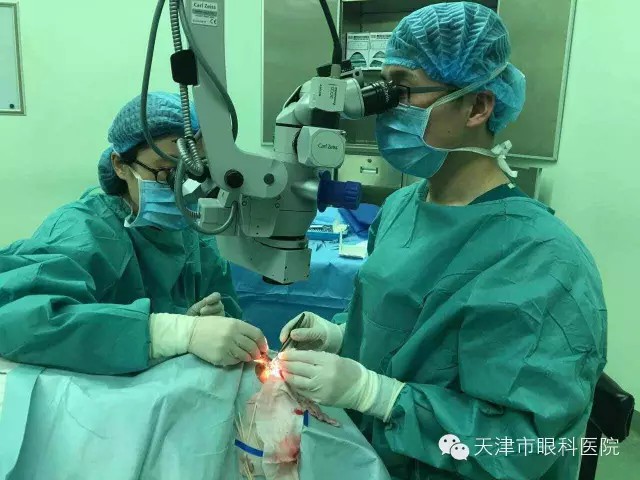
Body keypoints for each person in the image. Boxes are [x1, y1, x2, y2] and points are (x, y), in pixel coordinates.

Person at [278, 3, 606, 480]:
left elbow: (523, 445)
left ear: (477, 106)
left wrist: (378, 395)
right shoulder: (400, 208)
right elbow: (406, 335)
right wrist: (341, 336)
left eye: (403, 89)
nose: (385, 109)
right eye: (383, 87)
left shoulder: (543, 257)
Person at [0, 92, 267, 375]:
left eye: (193, 172)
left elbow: (228, 310)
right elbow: (21, 320)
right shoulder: (81, 230)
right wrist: (167, 333)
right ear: (120, 165)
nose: (182, 187)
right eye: (166, 172)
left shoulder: (197, 235)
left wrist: (216, 324)